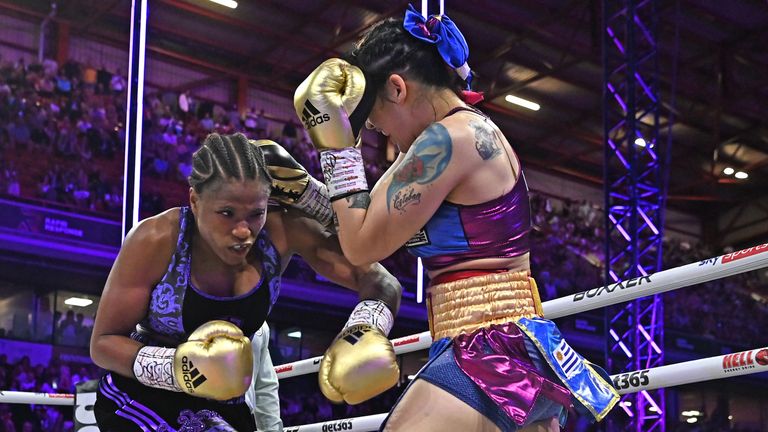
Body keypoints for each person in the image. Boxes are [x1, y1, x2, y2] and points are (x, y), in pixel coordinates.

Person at [293, 5, 619, 432]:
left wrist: (336, 145)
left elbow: (360, 247)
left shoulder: (450, 140)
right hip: (479, 341)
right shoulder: (446, 137)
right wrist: (301, 190)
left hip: (492, 343)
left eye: (377, 122)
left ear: (396, 88)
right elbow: (366, 219)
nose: (384, 134)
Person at [90, 132, 402, 431]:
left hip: (225, 404)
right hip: (138, 396)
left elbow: (380, 279)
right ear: (195, 201)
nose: (243, 230)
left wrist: (367, 327)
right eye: (226, 213)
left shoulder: (281, 232)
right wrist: (178, 368)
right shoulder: (157, 239)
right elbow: (103, 343)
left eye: (256, 214)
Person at [245, 322, 283, 432]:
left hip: (242, 417)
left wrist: (271, 429)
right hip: (196, 415)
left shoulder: (259, 322)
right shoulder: (194, 308)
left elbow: (265, 385)